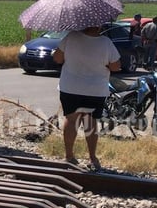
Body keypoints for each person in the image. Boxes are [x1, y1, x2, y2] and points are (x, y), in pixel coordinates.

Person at [52, 25, 121, 171]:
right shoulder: (106, 42)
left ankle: (69, 157)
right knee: (90, 122)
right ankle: (92, 158)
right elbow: (116, 67)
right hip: (95, 89)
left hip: (70, 87)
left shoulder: (71, 37)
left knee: (71, 121)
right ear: (100, 25)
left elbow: (57, 58)